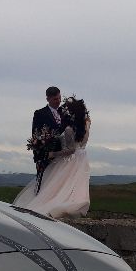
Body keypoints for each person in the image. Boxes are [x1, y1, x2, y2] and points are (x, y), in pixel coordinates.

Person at [13, 87, 91, 218]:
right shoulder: (40, 113)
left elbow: (71, 138)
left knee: (61, 185)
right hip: (49, 156)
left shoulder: (64, 114)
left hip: (63, 156)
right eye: (55, 99)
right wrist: (41, 153)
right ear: (48, 99)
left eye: (59, 98)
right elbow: (36, 135)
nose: (58, 101)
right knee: (47, 185)